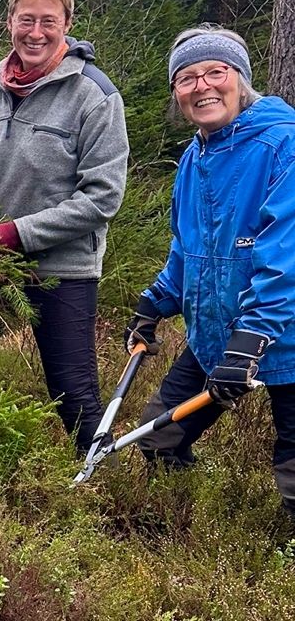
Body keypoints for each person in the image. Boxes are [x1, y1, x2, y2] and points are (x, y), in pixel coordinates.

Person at [0, 0, 129, 453]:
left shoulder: (94, 95)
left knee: (73, 392)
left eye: (48, 21)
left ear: (67, 24)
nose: (36, 32)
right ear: (10, 22)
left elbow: (102, 197)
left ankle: (100, 479)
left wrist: (16, 233)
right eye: (26, 19)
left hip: (62, 267)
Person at [124, 27, 295, 521]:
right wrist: (155, 301)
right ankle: (183, 530)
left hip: (283, 337)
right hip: (216, 336)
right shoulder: (194, 157)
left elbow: (284, 261)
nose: (202, 86)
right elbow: (189, 248)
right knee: (160, 438)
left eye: (215, 72)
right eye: (187, 77)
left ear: (240, 78)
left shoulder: (283, 145)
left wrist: (250, 341)